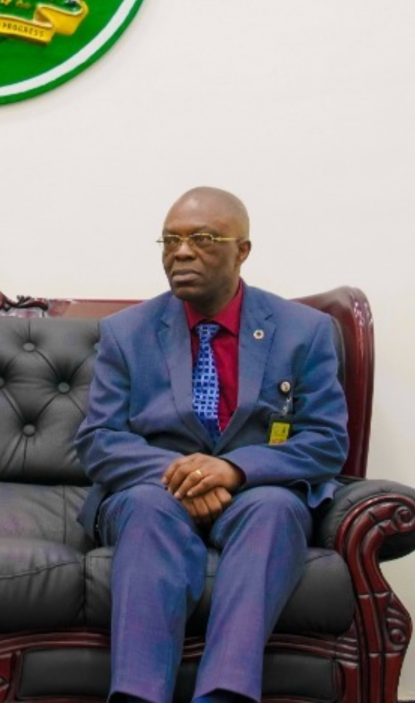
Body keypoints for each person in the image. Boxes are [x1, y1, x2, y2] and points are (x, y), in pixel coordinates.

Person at [72, 187, 348, 703]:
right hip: (154, 488)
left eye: (202, 239)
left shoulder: (304, 331)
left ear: (242, 250)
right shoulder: (126, 333)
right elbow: (99, 440)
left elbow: (326, 441)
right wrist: (191, 472)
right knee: (148, 506)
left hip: (256, 491)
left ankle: (224, 694)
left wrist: (235, 470)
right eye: (171, 240)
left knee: (274, 507)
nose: (181, 252)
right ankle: (137, 696)